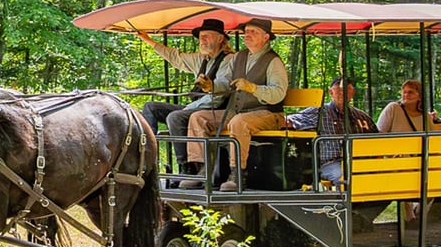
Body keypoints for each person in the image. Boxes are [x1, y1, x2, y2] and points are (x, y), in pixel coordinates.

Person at [184, 18, 289, 191]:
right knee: (198, 117)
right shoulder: (239, 57)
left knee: (239, 122)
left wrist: (253, 88)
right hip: (237, 111)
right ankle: (201, 171)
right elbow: (225, 84)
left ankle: (237, 174)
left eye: (253, 32)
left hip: (269, 113)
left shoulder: (273, 61)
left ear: (266, 37)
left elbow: (278, 93)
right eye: (246, 32)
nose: (247, 35)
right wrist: (211, 86)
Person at [135, 18, 236, 182]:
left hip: (214, 110)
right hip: (196, 106)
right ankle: (147, 160)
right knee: (151, 107)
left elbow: (220, 93)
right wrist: (148, 40)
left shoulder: (229, 60)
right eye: (201, 36)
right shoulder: (202, 59)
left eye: (207, 36)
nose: (202, 40)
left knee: (175, 117)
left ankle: (186, 168)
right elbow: (176, 58)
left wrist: (192, 104)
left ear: (220, 39)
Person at [284, 77, 375, 187]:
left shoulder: (361, 116)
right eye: (339, 90)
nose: (343, 93)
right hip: (329, 164)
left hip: (358, 162)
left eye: (347, 90)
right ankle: (344, 202)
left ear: (353, 93)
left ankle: (372, 202)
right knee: (343, 175)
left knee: (378, 173)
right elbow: (290, 120)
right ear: (331, 92)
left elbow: (378, 138)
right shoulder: (319, 112)